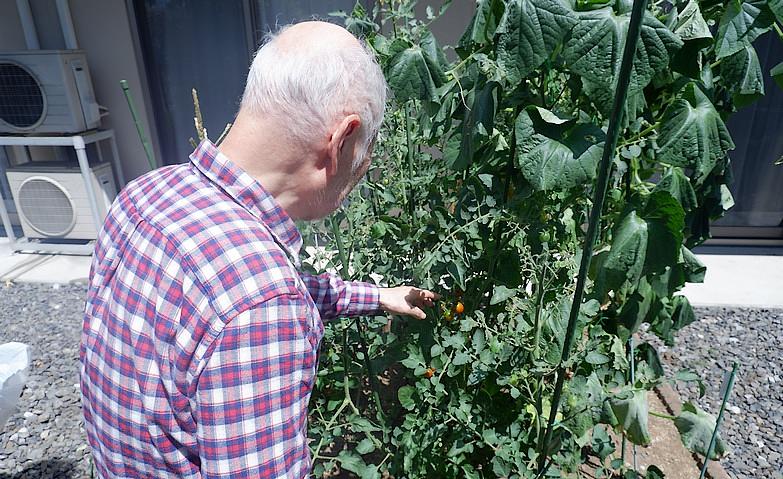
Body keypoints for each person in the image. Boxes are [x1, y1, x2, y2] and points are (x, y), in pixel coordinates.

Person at [80, 21, 438, 478]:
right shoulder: (261, 304)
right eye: (365, 153)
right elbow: (254, 301)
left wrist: (378, 296)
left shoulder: (145, 196)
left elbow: (221, 303)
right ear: (341, 140)